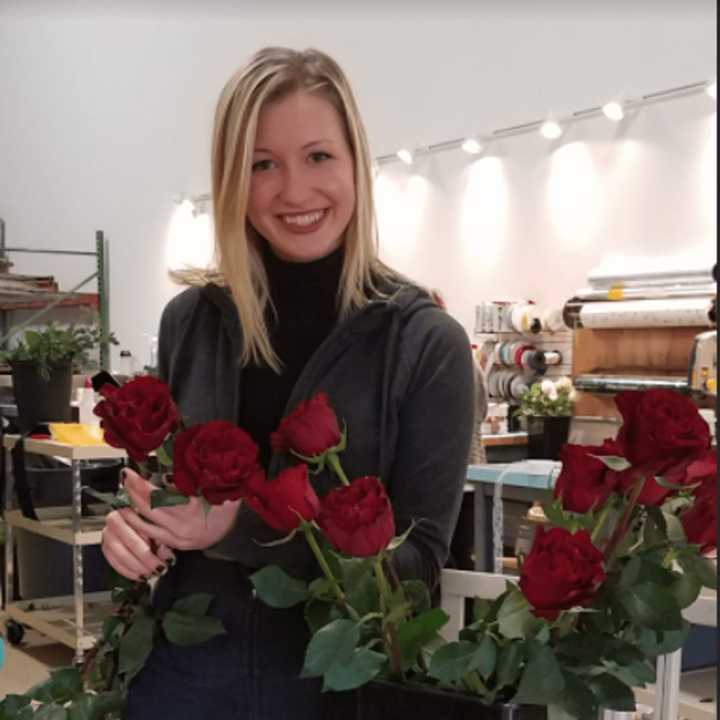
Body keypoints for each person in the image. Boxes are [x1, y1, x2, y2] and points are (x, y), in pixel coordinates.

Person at [101, 46, 475, 720]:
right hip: (183, 674)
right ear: (232, 182)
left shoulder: (423, 343)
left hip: (338, 687)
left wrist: (235, 528)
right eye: (262, 164)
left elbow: (419, 567)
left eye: (318, 157)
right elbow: (163, 493)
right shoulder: (190, 322)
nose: (294, 191)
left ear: (357, 162)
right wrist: (134, 531)